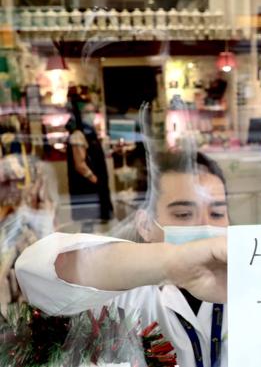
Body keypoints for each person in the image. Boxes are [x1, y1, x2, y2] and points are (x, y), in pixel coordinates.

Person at [16, 149, 229, 367]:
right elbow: (35, 272)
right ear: (145, 225)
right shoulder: (118, 295)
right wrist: (173, 262)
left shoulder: (252, 288)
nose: (206, 226)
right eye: (183, 214)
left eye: (217, 214)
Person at [66, 98, 113, 226]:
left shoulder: (90, 132)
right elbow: (79, 164)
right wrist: (95, 181)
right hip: (87, 187)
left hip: (94, 185)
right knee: (88, 222)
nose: (91, 115)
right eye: (87, 112)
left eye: (93, 111)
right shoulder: (78, 134)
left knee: (94, 223)